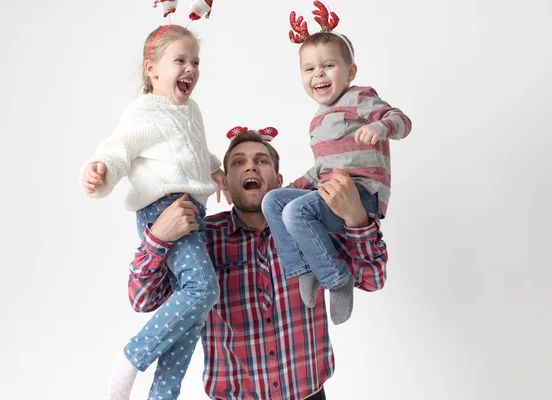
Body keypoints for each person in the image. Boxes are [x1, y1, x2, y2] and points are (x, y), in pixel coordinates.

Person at [128, 130, 388, 400]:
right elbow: (143, 299)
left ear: (279, 182)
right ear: (224, 185)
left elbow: (373, 278)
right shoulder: (202, 240)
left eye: (261, 161)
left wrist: (358, 220)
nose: (250, 166)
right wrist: (157, 237)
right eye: (239, 162)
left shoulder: (312, 229)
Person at [80, 24, 225, 400]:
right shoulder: (143, 111)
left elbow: (192, 149)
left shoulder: (191, 111)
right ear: (152, 69)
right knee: (203, 289)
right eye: (180, 60)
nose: (190, 68)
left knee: (191, 321)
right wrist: (101, 168)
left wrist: (215, 169)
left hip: (193, 212)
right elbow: (118, 149)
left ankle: (163, 396)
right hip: (164, 209)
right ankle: (131, 357)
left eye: (195, 61)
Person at [261, 1, 412, 325]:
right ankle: (304, 270)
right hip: (328, 191)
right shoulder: (317, 121)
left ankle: (337, 280)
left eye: (328, 65)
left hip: (361, 193)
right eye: (309, 68)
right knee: (274, 201)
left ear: (350, 71)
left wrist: (379, 127)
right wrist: (292, 186)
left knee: (295, 211)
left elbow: (400, 119)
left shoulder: (358, 97)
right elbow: (320, 170)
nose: (318, 74)